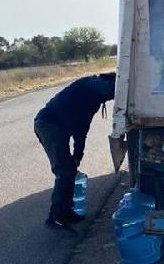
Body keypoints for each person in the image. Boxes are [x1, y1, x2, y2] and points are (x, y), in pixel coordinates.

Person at [34, 72, 116, 230]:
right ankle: (56, 216)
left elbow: (82, 129)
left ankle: (67, 211)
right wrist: (123, 87)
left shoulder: (94, 100)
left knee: (69, 170)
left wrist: (78, 154)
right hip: (49, 124)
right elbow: (108, 89)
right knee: (64, 171)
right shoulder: (90, 83)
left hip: (59, 127)